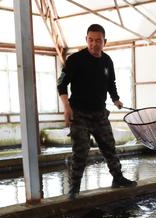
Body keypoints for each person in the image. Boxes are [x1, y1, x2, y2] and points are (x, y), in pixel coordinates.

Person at [57, 23, 136, 199]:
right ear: (86, 40)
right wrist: (66, 106)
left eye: (98, 40)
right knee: (81, 151)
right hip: (79, 114)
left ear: (104, 42)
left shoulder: (107, 61)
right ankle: (74, 188)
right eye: (90, 40)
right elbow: (61, 83)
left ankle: (118, 178)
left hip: (100, 113)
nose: (94, 44)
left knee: (110, 146)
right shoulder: (75, 60)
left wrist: (115, 99)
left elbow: (110, 83)